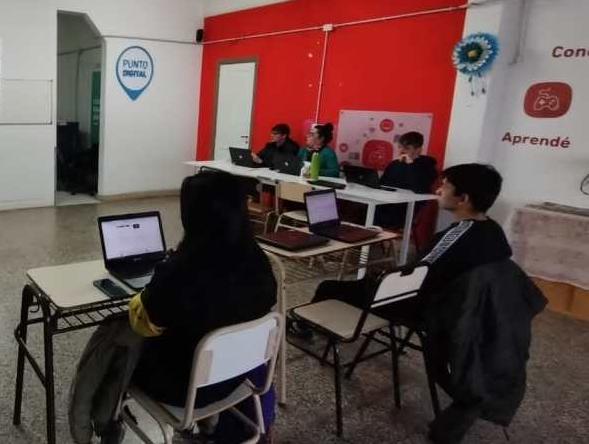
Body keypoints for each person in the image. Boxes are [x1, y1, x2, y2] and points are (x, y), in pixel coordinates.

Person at [294, 163, 511, 336]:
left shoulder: (456, 236)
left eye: (445, 186)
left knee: (328, 287)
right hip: (459, 310)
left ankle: (304, 329)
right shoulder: (495, 232)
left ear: (463, 199)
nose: (438, 190)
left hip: (419, 306)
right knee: (365, 280)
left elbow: (417, 274)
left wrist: (379, 278)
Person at [129, 171, 278, 407]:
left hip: (181, 387)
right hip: (236, 376)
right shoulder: (258, 259)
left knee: (117, 342)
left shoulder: (180, 270)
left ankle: (109, 421)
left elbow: (144, 323)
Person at [375, 131, 438, 228]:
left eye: (407, 148)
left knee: (376, 214)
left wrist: (410, 164)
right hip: (389, 201)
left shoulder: (427, 166)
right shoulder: (394, 164)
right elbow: (382, 184)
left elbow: (420, 189)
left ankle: (382, 241)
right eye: (400, 147)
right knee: (363, 209)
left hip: (407, 206)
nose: (402, 151)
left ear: (418, 150)